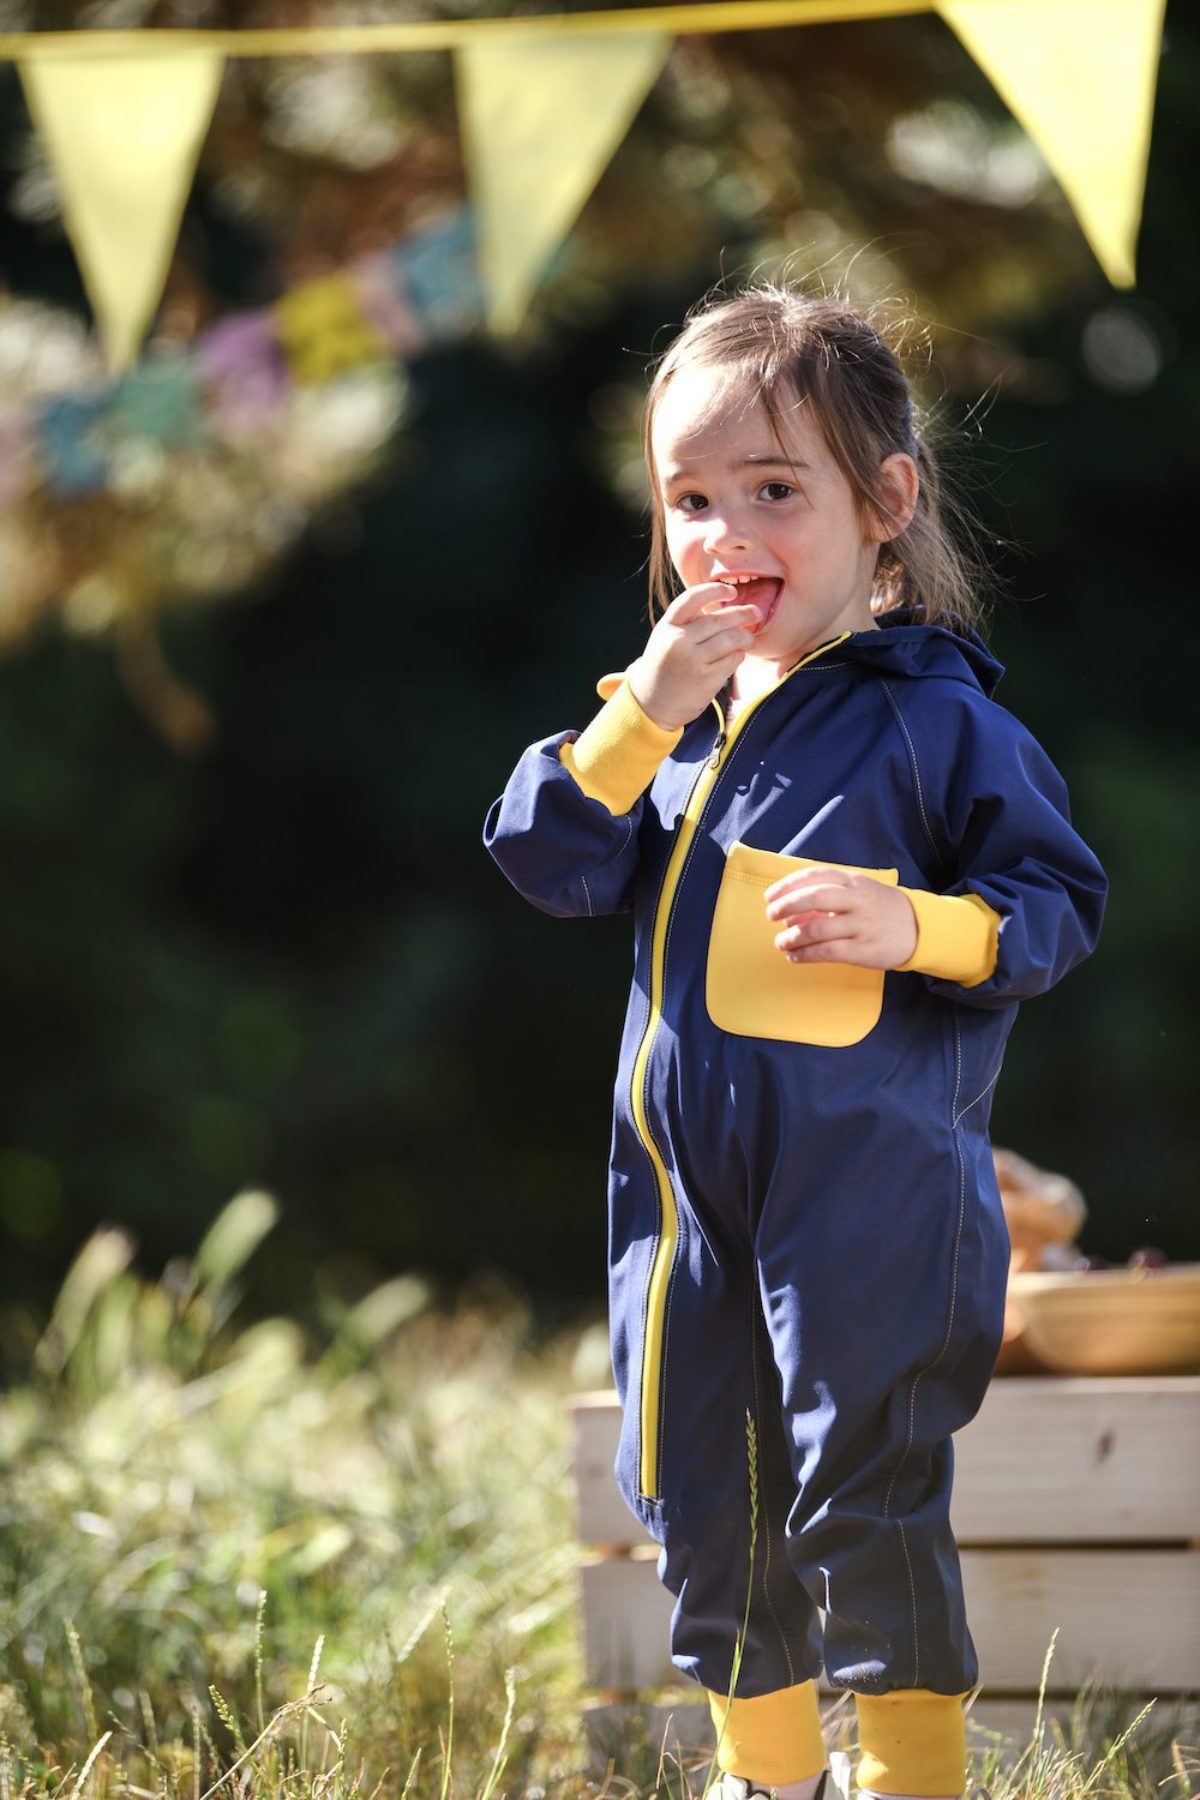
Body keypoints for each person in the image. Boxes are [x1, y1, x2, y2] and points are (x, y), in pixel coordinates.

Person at [483, 285, 1107, 1800]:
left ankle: (906, 1779)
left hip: (869, 1202)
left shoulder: (935, 722)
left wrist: (921, 927)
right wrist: (646, 706)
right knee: (704, 1495)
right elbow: (545, 856)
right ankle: (769, 1779)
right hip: (686, 1203)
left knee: (866, 1491)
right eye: (692, 499)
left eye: (775, 490)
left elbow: (1054, 902)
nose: (726, 533)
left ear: (884, 504)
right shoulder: (669, 730)